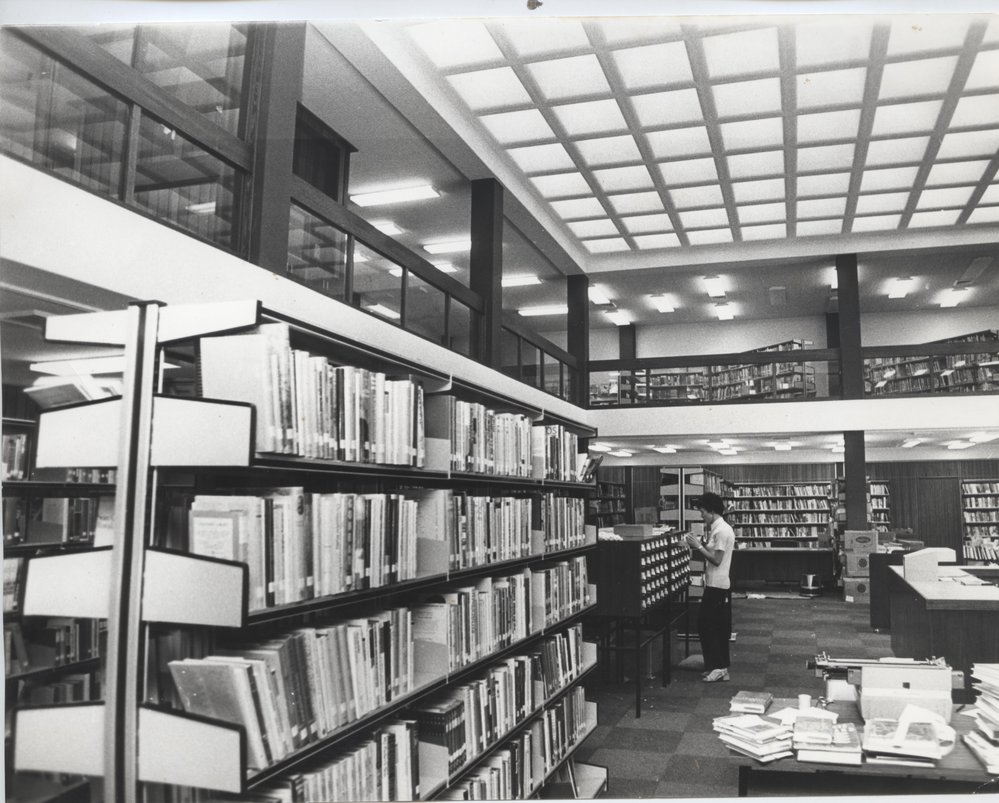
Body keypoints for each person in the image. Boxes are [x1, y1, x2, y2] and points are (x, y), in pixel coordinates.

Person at [684, 492, 735, 682]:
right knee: (708, 626)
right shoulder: (717, 528)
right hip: (714, 585)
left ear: (712, 511)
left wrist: (697, 546)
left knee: (713, 627)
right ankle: (715, 665)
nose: (701, 516)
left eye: (703, 512)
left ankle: (720, 667)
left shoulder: (722, 530)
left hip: (718, 586)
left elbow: (717, 559)